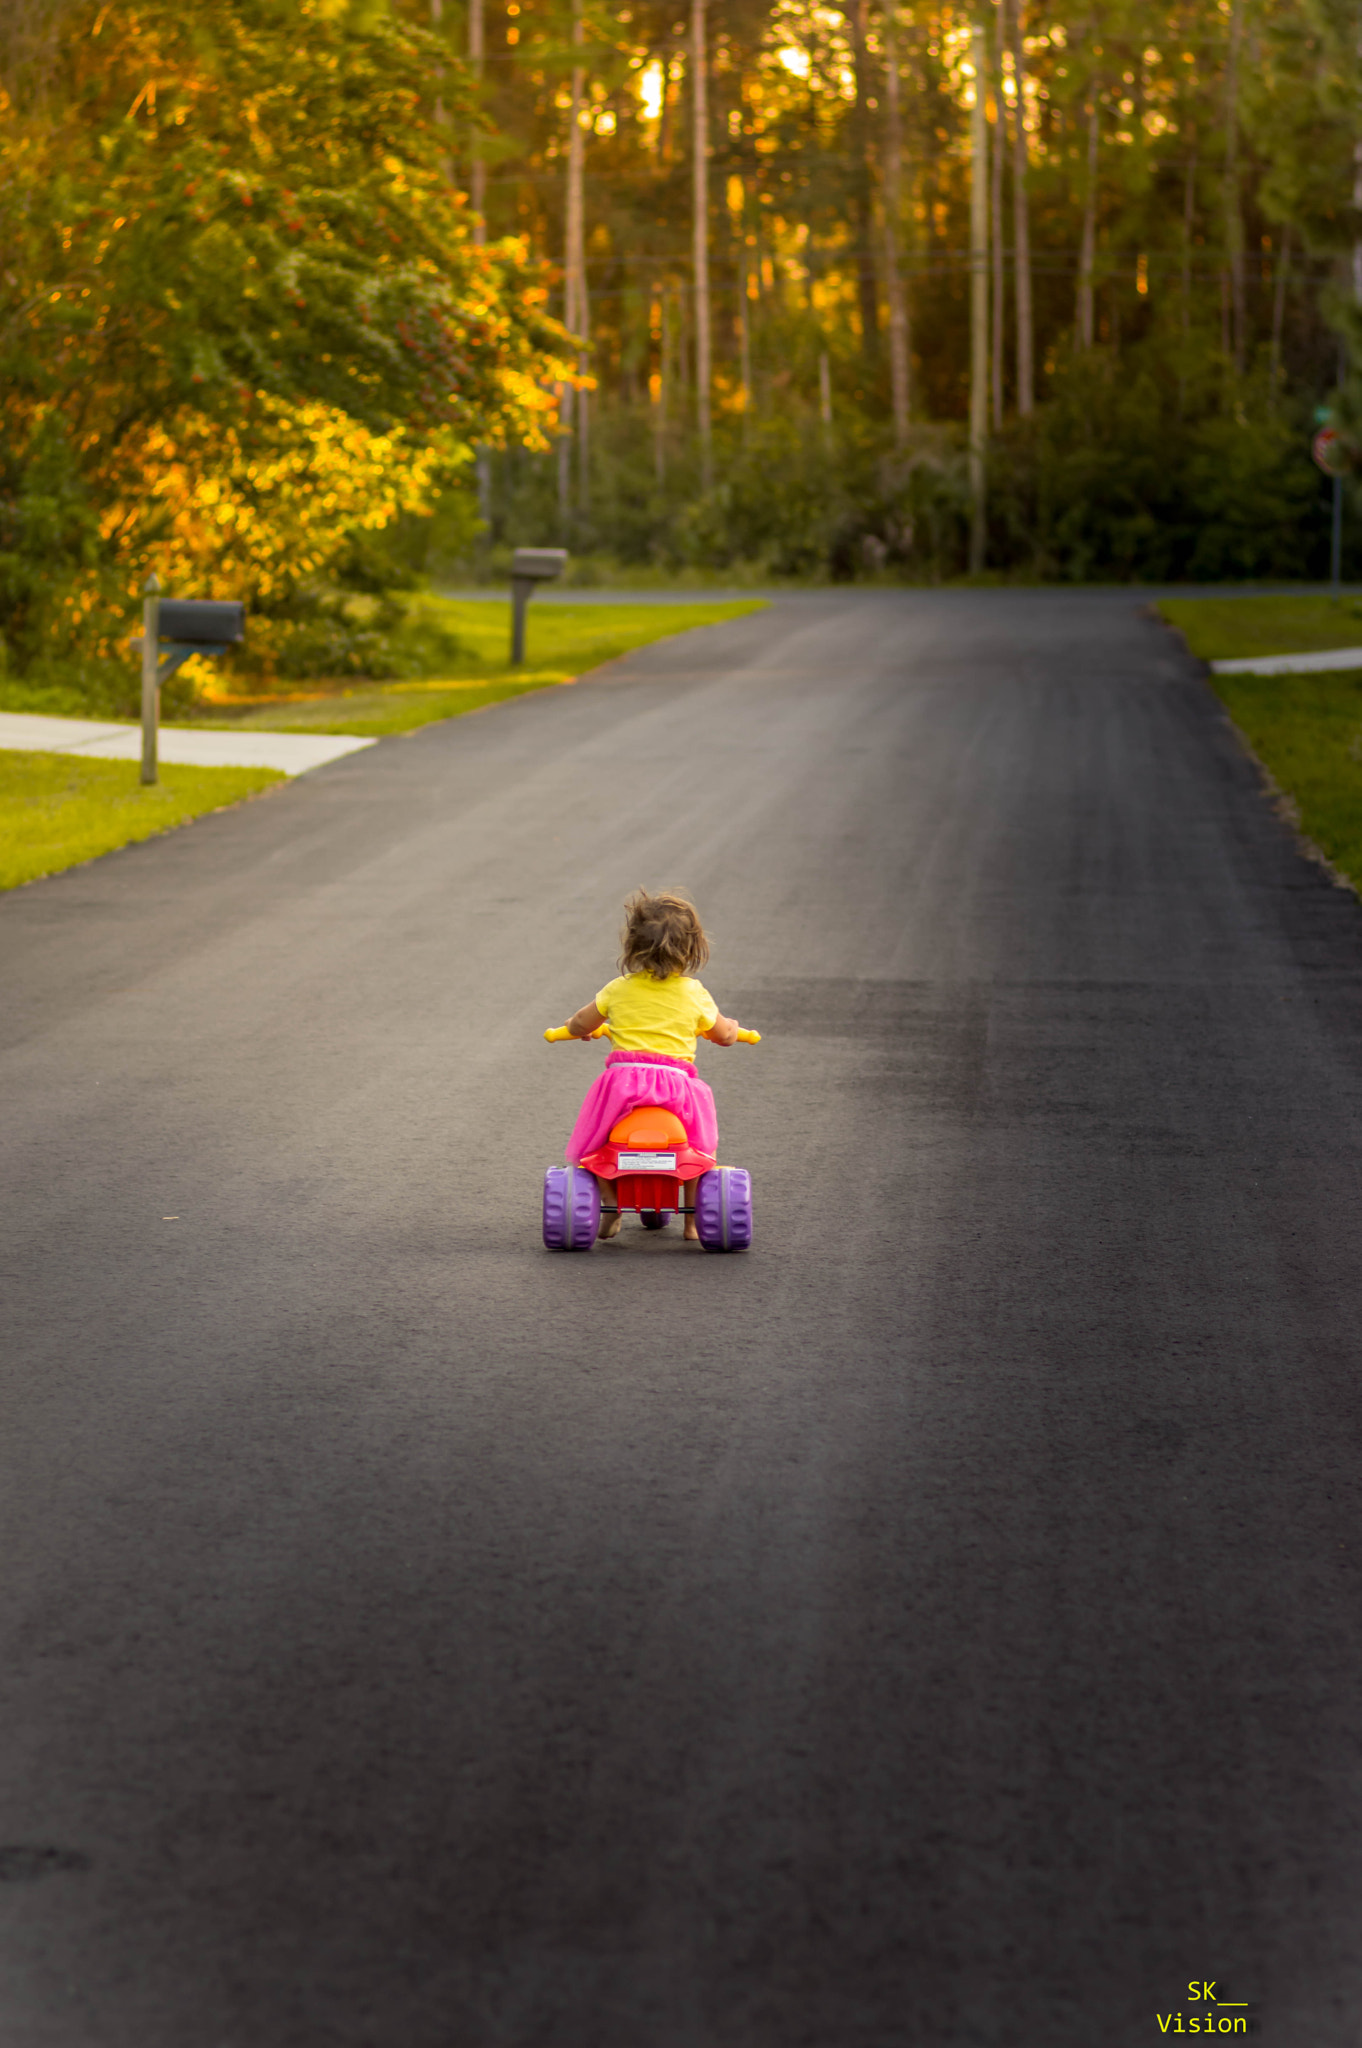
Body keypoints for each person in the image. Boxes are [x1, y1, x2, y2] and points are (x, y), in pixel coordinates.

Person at [558, 889, 744, 1241]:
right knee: (700, 1144)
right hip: (677, 1086)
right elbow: (723, 1035)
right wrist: (732, 1029)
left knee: (596, 1141)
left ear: (632, 947)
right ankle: (692, 1222)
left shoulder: (618, 988)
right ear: (692, 950)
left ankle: (610, 1209)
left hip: (623, 1084)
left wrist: (575, 1029)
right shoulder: (695, 993)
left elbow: (581, 1022)